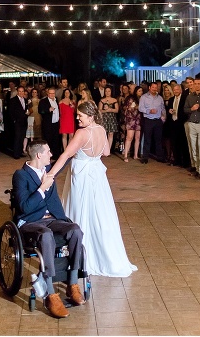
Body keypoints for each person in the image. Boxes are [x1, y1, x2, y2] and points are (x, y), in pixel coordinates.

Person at [46, 101, 138, 278]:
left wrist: (51, 175)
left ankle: (78, 254)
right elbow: (106, 153)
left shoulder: (82, 133)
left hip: (82, 178)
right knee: (99, 212)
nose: (77, 118)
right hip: (97, 175)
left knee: (80, 210)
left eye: (80, 115)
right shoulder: (101, 130)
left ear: (91, 116)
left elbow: (66, 154)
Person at [12, 141, 87, 318]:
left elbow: (65, 156)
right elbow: (24, 207)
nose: (50, 154)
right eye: (48, 152)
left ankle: (73, 283)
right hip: (31, 222)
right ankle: (50, 293)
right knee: (46, 235)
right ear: (39, 155)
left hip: (52, 219)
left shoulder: (49, 171)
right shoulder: (21, 175)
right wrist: (42, 189)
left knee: (75, 230)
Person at [184, 77, 200, 178]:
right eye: (195, 83)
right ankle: (197, 167)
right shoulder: (190, 97)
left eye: (199, 83)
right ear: (193, 85)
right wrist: (191, 108)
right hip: (192, 124)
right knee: (194, 148)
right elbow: (185, 109)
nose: (197, 85)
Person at [138, 81, 166, 163]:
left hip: (158, 120)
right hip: (148, 120)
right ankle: (145, 157)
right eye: (153, 87)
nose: (154, 89)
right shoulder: (143, 97)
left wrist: (163, 117)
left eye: (156, 87)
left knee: (158, 139)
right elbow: (140, 108)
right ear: (149, 88)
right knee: (147, 139)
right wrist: (149, 111)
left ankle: (159, 157)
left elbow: (163, 108)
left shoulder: (160, 98)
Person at [166, 81, 189, 167]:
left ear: (180, 90)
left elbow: (186, 111)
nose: (175, 91)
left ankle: (185, 162)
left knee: (183, 143)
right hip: (173, 123)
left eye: (177, 90)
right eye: (174, 90)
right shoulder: (171, 99)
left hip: (181, 123)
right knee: (174, 143)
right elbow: (168, 109)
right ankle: (177, 160)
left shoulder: (184, 98)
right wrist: (169, 111)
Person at [39, 87, 62, 159]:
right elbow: (40, 111)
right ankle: (47, 156)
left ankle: (55, 155)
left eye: (53, 93)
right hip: (48, 124)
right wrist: (48, 110)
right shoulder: (43, 101)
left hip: (56, 123)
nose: (52, 95)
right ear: (47, 93)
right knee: (48, 140)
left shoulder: (56, 100)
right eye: (50, 93)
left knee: (56, 139)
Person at [121, 82, 141, 163]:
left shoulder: (141, 99)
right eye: (139, 91)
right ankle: (125, 155)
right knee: (129, 138)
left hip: (139, 120)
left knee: (137, 138)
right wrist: (136, 107)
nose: (141, 92)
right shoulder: (130, 99)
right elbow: (128, 109)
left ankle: (135, 155)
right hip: (131, 120)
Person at [9, 86, 31, 159]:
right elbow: (11, 111)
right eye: (20, 91)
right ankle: (16, 154)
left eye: (22, 91)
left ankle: (20, 151)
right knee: (17, 137)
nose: (21, 93)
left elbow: (26, 110)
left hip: (24, 121)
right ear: (17, 92)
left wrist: (28, 113)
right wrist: (14, 120)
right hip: (17, 121)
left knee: (22, 137)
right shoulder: (13, 100)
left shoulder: (25, 100)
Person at [98, 86, 118, 155]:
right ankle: (103, 150)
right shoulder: (102, 100)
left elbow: (117, 110)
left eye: (109, 91)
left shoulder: (114, 100)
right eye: (106, 91)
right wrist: (105, 110)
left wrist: (110, 109)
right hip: (104, 118)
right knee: (104, 134)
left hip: (111, 118)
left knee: (111, 133)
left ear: (111, 92)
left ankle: (108, 150)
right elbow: (99, 110)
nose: (107, 92)